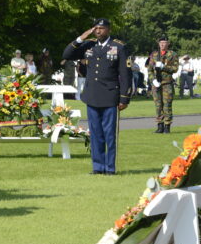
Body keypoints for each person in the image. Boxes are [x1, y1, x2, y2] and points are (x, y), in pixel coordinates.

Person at [62, 18, 132, 175]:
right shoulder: (89, 45)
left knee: (109, 134)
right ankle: (98, 167)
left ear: (108, 30)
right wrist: (81, 38)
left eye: (101, 28)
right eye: (96, 28)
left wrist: (124, 98)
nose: (98, 31)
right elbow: (67, 54)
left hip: (109, 95)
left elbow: (125, 74)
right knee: (95, 134)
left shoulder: (118, 46)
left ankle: (110, 168)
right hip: (92, 95)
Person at [146, 36, 179, 133]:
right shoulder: (154, 54)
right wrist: (153, 80)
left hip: (167, 83)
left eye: (164, 43)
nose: (162, 44)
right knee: (158, 105)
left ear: (168, 43)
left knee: (167, 105)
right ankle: (159, 126)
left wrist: (164, 67)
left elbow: (175, 69)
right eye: (161, 43)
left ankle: (167, 126)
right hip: (156, 84)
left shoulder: (172, 54)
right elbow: (150, 69)